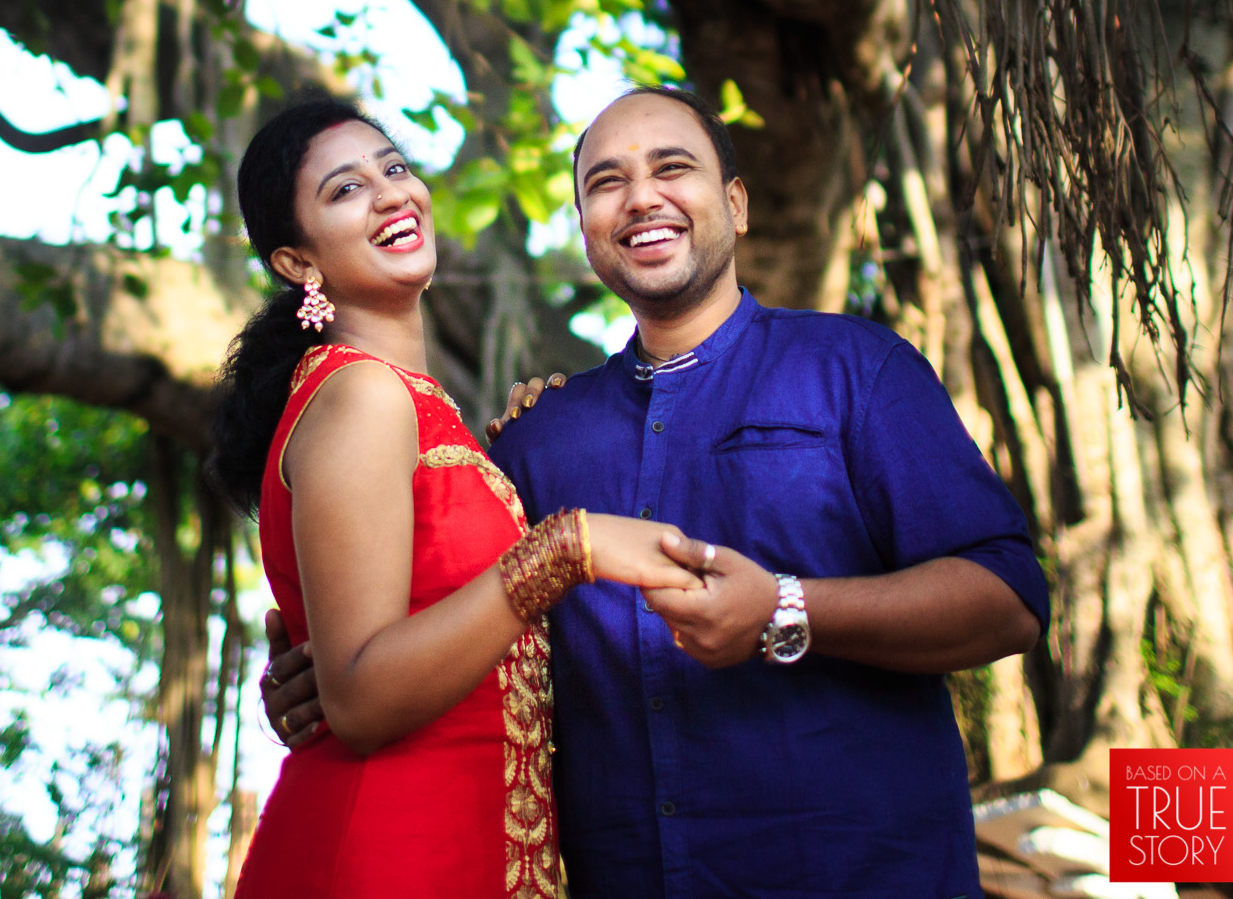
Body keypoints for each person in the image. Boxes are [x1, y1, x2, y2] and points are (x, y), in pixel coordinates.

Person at [261, 85, 1050, 898]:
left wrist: (787, 608)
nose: (641, 196)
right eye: (606, 182)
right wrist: (321, 670)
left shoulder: (854, 369)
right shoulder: (537, 441)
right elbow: (441, 631)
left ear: (736, 204)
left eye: (673, 168)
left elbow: (1009, 598)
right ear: (588, 234)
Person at [213, 97, 714, 899]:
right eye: (345, 190)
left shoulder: (407, 403)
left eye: (396, 168)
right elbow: (362, 696)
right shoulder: (363, 394)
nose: (390, 194)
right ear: (298, 263)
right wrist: (564, 550)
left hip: (465, 842)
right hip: (389, 850)